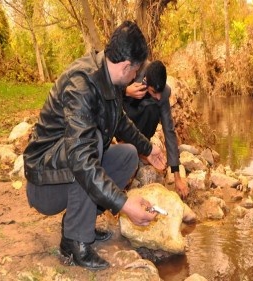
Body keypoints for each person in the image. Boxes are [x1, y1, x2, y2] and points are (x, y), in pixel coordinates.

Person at [23, 21, 166, 271]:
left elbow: (120, 121)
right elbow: (81, 159)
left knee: (128, 155)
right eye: (136, 72)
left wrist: (148, 149)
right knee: (93, 143)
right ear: (126, 67)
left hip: (67, 166)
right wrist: (124, 204)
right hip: (44, 183)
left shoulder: (109, 78)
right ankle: (74, 242)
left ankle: (80, 222)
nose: (136, 78)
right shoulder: (82, 83)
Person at [123, 60, 189, 198]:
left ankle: (142, 149)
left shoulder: (163, 94)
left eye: (160, 92)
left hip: (141, 123)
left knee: (153, 108)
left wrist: (177, 176)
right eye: (154, 91)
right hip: (122, 118)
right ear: (146, 82)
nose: (159, 96)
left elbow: (169, 130)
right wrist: (125, 91)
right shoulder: (132, 74)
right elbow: (106, 93)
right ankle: (126, 143)